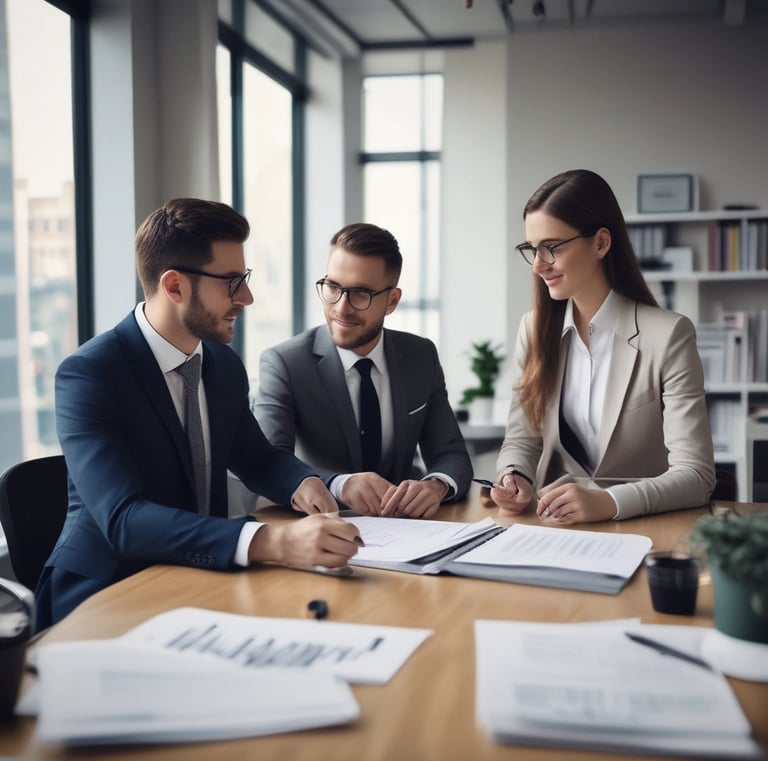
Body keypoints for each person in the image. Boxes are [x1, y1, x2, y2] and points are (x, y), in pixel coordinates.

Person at [36, 198, 360, 630]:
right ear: (174, 287)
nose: (246, 297)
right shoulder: (91, 374)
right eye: (231, 282)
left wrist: (305, 482)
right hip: (104, 596)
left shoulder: (221, 365)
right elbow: (124, 519)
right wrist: (274, 540)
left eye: (243, 279)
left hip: (196, 579)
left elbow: (257, 458)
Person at [491, 169, 715, 523]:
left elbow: (697, 475)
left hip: (644, 528)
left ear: (600, 243)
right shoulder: (533, 329)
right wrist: (513, 475)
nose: (538, 265)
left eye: (550, 247)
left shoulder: (669, 334)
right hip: (553, 529)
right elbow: (522, 440)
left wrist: (610, 502)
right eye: (532, 250)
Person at [253, 222, 472, 519]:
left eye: (361, 294)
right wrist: (340, 485)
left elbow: (451, 454)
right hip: (316, 530)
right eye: (332, 287)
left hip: (407, 531)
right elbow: (268, 462)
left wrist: (436, 486)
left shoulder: (421, 356)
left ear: (392, 300)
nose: (341, 308)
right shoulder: (285, 363)